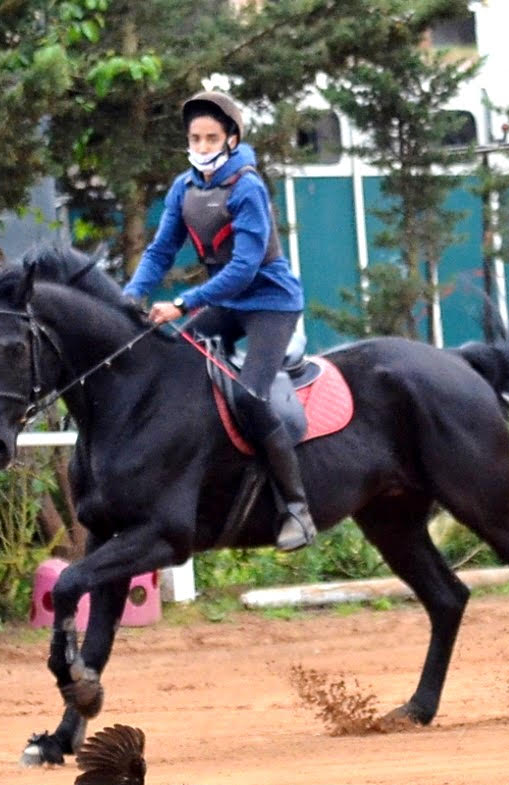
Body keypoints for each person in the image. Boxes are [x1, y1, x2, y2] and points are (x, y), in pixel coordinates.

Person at [123, 90, 315, 551]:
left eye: (212, 137)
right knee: (173, 371)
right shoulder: (182, 188)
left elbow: (245, 268)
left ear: (231, 138)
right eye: (195, 137)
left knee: (249, 396)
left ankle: (296, 508)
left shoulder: (247, 185)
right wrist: (130, 294)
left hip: (269, 303)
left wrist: (184, 304)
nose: (203, 145)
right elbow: (160, 250)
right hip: (224, 303)